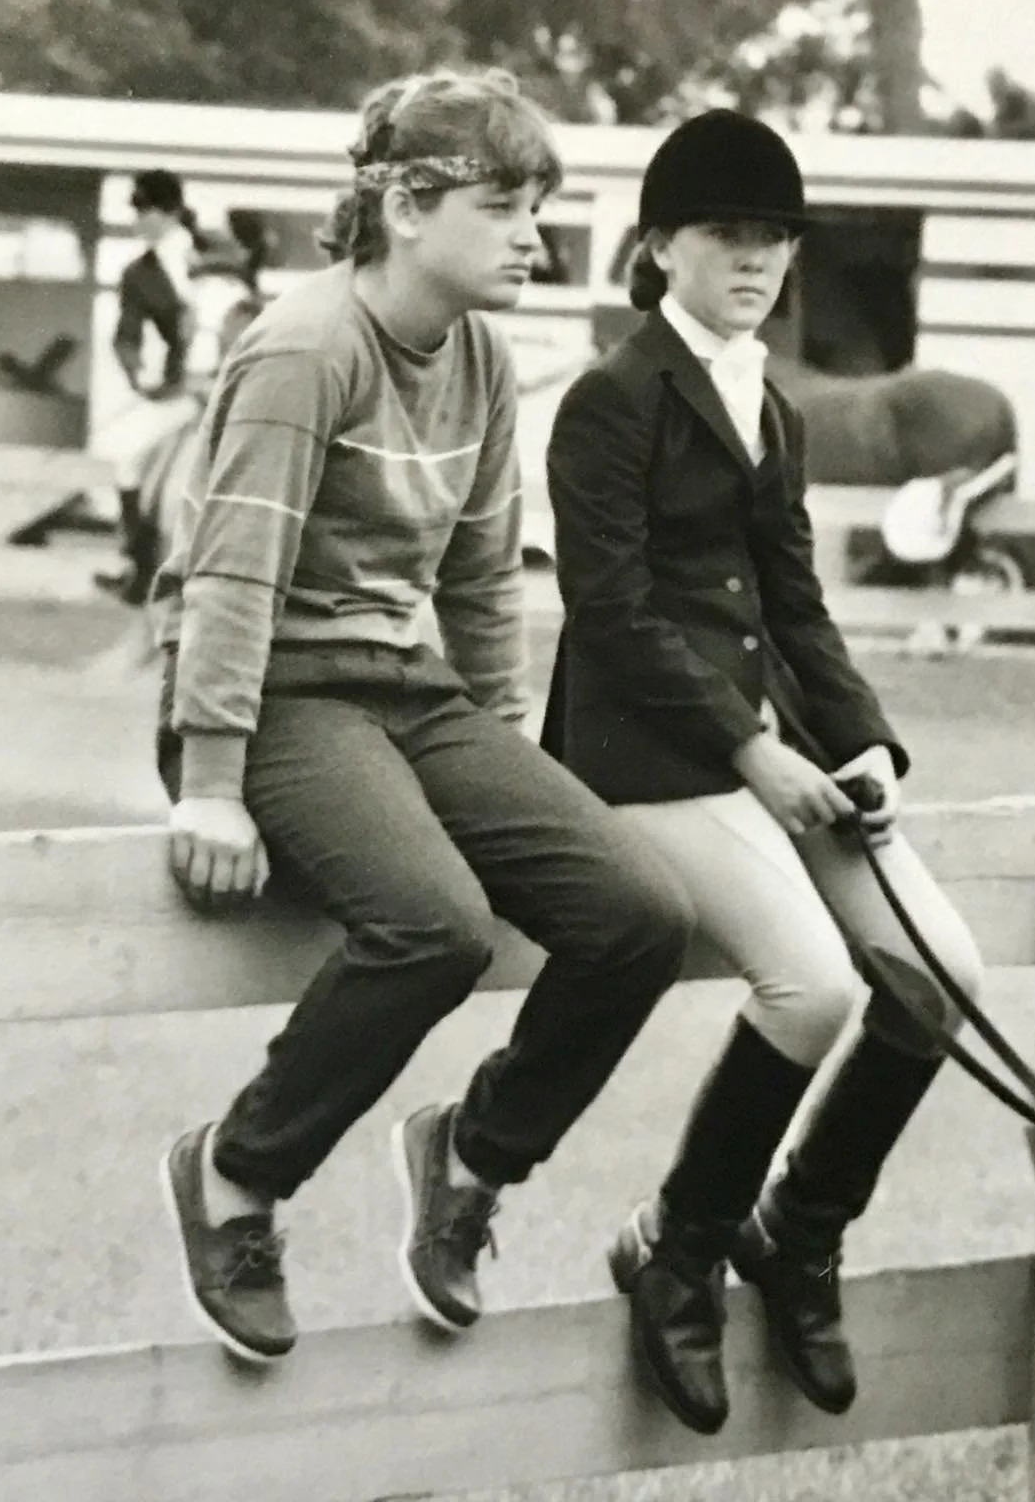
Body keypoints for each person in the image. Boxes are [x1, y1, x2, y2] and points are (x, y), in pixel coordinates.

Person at [151, 68, 693, 1366]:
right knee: (434, 928)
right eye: (502, 207)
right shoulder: (306, 347)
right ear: (403, 209)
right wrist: (211, 780)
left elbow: (481, 575)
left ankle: (472, 1157)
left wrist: (502, 746)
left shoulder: (484, 357)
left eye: (537, 208)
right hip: (276, 695)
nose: (534, 237)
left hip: (408, 690)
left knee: (639, 914)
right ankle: (234, 1174)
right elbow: (232, 575)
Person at [542, 109, 984, 1436]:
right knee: (809, 983)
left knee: (943, 972)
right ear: (658, 246)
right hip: (642, 749)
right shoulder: (609, 399)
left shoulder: (770, 407)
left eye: (774, 240)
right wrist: (752, 750)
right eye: (726, 235)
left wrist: (859, 743)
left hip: (774, 745)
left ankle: (800, 1225)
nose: (753, 260)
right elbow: (611, 611)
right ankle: (678, 1247)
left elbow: (795, 603)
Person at [94, 169, 207, 604]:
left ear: (171, 211)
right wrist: (141, 376)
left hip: (221, 382)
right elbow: (126, 336)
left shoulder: (208, 257)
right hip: (177, 392)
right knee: (128, 461)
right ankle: (142, 569)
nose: (140, 219)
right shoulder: (137, 273)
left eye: (148, 210)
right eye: (138, 210)